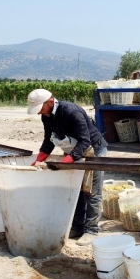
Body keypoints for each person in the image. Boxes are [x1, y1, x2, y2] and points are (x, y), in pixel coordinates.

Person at [27, 89, 108, 246]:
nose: (39, 113)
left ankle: (91, 230)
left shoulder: (71, 111)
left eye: (40, 109)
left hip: (94, 149)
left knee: (92, 191)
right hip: (74, 151)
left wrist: (67, 161)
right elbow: (49, 140)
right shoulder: (46, 116)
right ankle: (77, 227)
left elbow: (85, 140)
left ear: (50, 102)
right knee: (76, 190)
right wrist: (38, 160)